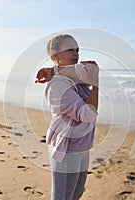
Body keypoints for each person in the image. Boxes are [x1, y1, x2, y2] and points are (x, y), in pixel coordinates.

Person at [35, 34, 99, 200]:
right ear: (55, 55)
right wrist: (96, 85)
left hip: (83, 147)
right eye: (70, 49)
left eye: (77, 50)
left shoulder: (74, 75)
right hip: (67, 149)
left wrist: (53, 69)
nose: (76, 54)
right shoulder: (57, 85)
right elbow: (87, 114)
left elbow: (91, 68)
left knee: (76, 195)